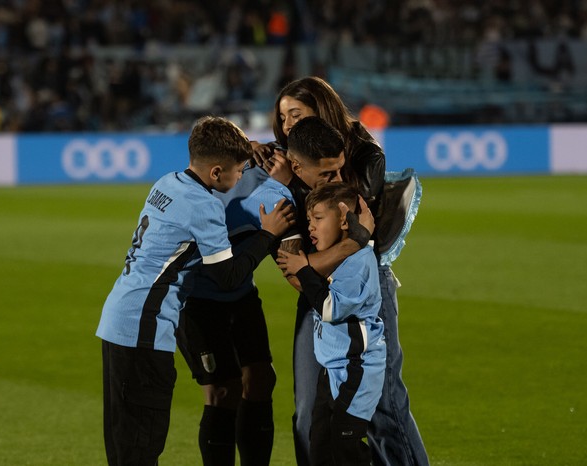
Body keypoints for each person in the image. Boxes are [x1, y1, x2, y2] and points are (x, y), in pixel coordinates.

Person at [95, 115, 296, 466]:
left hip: (120, 320)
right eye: (238, 170)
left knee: (126, 441)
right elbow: (228, 276)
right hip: (144, 328)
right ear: (216, 172)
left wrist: (245, 147)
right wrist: (267, 234)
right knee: (141, 444)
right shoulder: (203, 206)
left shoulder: (168, 183)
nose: (241, 177)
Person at [254, 77, 428, 466]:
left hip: (361, 287)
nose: (287, 126)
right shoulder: (289, 163)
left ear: (322, 111)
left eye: (296, 114)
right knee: (308, 411)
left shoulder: (362, 156)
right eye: (282, 118)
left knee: (383, 407)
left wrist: (290, 187)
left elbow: (350, 233)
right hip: (316, 292)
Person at [176, 127, 375, 466]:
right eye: (327, 173)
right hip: (195, 298)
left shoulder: (275, 175)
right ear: (297, 167)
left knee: (260, 379)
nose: (336, 179)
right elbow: (299, 276)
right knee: (222, 392)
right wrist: (356, 241)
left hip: (239, 293)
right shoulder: (275, 194)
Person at [277, 182, 386, 466]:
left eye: (318, 218)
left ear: (343, 218)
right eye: (309, 219)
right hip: (333, 369)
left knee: (345, 446)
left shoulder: (359, 262)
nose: (310, 227)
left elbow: (329, 307)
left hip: (356, 370)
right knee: (321, 445)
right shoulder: (339, 259)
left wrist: (303, 269)